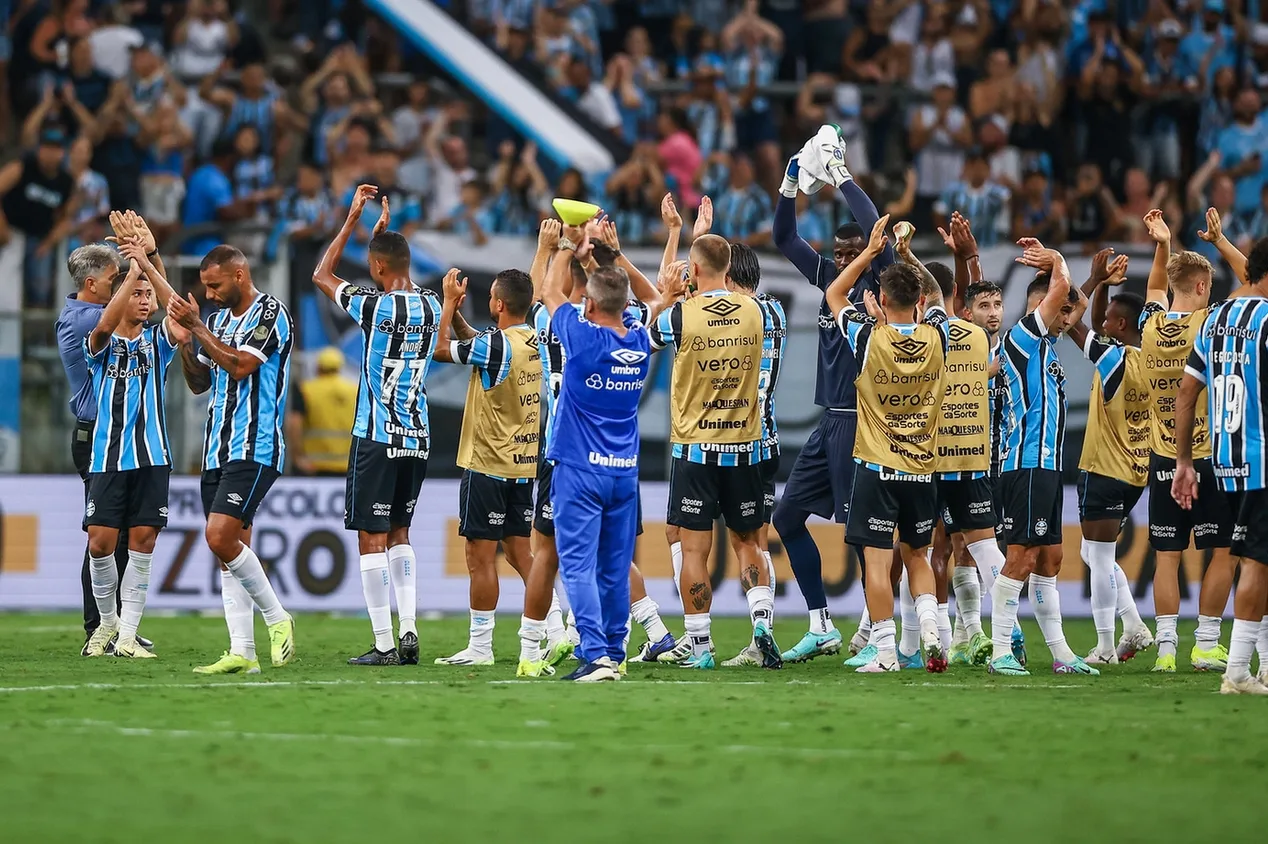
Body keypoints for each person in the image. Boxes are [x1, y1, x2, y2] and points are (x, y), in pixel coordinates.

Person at [771, 146, 895, 664]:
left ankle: (879, 632)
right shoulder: (827, 279)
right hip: (829, 424)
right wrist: (790, 181)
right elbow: (783, 238)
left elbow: (877, 229)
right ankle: (821, 623)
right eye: (838, 256)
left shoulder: (877, 284)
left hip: (862, 423)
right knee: (786, 517)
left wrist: (841, 176)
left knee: (862, 537)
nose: (842, 263)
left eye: (851, 255)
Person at [312, 185, 440, 666]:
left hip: (377, 434)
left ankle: (384, 644)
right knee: (401, 533)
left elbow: (321, 274)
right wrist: (381, 243)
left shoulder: (373, 305)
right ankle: (408, 630)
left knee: (372, 537)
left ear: (379, 268)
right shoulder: (430, 305)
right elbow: (391, 273)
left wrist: (351, 222)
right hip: (419, 435)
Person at [648, 234, 779, 670]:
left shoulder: (681, 316)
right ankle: (761, 624)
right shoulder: (759, 312)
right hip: (744, 447)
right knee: (747, 544)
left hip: (696, 450)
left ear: (695, 271)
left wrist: (667, 294)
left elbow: (644, 340)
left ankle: (701, 646)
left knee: (693, 550)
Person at [826, 216, 950, 673]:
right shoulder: (939, 335)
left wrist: (869, 251)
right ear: (917, 303)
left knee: (877, 565)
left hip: (877, 467)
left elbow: (834, 294)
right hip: (921, 469)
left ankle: (883, 654)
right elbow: (938, 295)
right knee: (917, 555)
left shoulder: (866, 336)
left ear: (880, 300)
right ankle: (932, 632)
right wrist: (908, 254)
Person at [166, 244, 296, 675]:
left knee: (219, 536)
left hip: (255, 446)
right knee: (229, 551)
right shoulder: (217, 319)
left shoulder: (271, 313)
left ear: (239, 275)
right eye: (204, 287)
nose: (209, 294)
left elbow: (240, 365)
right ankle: (243, 652)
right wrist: (186, 342)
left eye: (215, 285)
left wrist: (198, 328)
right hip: (216, 449)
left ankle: (278, 618)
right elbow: (200, 382)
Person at [536, 252, 651, 682]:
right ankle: (616, 651)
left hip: (579, 469)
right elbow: (648, 300)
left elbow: (548, 292)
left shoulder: (582, 340)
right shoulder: (638, 340)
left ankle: (596, 655)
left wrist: (563, 244)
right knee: (614, 566)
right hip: (624, 472)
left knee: (578, 565)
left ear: (587, 305)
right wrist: (597, 261)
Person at [989, 243, 1099, 677]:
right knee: (1021, 558)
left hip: (1048, 466)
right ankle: (1000, 651)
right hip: (1026, 462)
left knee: (1051, 557)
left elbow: (1079, 300)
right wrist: (1054, 257)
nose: (1067, 315)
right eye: (1059, 308)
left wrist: (1076, 283)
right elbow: (1065, 292)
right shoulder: (1023, 335)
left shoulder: (1047, 344)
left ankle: (1061, 654)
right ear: (1039, 305)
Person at [1138, 209, 1237, 672]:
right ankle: (1206, 643)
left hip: (1162, 458)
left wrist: (1164, 243)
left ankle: (1164, 652)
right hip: (1208, 458)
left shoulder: (1151, 325)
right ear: (1202, 288)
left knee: (1166, 557)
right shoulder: (1211, 324)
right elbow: (1256, 284)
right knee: (1223, 551)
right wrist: (1220, 242)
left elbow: (1157, 286)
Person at [81, 238, 186, 658]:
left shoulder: (157, 343)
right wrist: (133, 268)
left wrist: (149, 260)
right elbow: (105, 325)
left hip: (152, 456)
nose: (144, 302)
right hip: (107, 456)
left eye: (146, 295)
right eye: (137, 293)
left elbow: (178, 314)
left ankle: (127, 633)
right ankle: (107, 622)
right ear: (121, 297)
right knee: (100, 543)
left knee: (143, 541)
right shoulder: (100, 344)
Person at [1173, 239, 1268, 695]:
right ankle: (1237, 672)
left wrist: (1185, 461)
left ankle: (1262, 666)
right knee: (1256, 563)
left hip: (1225, 461)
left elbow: (1186, 395)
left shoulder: (1214, 321)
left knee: (1258, 560)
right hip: (1263, 461)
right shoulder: (1267, 320)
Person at [432, 267, 540, 666]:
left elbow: (442, 351)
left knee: (480, 557)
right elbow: (479, 344)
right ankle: (559, 626)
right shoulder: (532, 340)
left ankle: (480, 646)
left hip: (488, 462)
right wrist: (459, 313)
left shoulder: (497, 346)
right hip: (522, 464)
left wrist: (446, 304)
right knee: (520, 552)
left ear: (497, 303)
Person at [54, 234, 149, 654]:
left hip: (115, 434)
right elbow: (125, 315)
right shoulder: (84, 320)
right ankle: (99, 627)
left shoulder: (89, 310)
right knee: (103, 536)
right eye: (115, 279)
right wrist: (141, 261)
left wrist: (148, 254)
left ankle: (114, 626)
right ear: (92, 285)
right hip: (96, 435)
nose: (120, 285)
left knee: (119, 534)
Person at [1066, 250, 1154, 664]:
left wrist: (1094, 279)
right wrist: (1104, 287)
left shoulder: (1114, 358)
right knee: (1092, 553)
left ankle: (1103, 645)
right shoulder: (1149, 361)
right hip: (1137, 469)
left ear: (1121, 326)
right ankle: (1133, 625)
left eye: (1109, 320)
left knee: (1099, 558)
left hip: (1104, 467)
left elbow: (1071, 322)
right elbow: (1097, 328)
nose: (1102, 322)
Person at [719, 242, 786, 667]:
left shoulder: (730, 317)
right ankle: (763, 630)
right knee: (758, 543)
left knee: (733, 541)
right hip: (769, 441)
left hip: (731, 441)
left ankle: (697, 639)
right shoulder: (775, 311)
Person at [0, 127, 75, 307]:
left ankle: (37, 334)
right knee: (6, 286)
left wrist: (48, 243)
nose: (51, 153)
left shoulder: (66, 181)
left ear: (62, 152)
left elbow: (67, 218)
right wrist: (2, 227)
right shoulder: (23, 167)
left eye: (56, 149)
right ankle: (7, 333)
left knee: (40, 290)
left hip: (39, 237)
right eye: (47, 147)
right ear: (39, 149)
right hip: (11, 232)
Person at [286, 347, 357, 477]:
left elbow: (295, 424)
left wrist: (297, 457)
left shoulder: (305, 390)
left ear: (318, 367)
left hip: (314, 465)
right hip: (347, 464)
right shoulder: (354, 391)